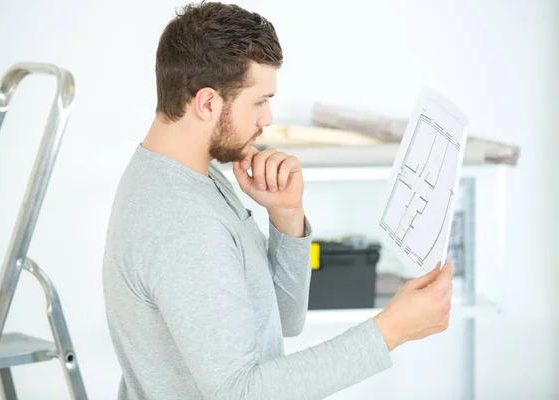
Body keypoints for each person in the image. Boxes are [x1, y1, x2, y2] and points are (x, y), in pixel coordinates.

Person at [102, 1, 454, 399]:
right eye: (259, 101)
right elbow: (241, 391)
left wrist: (286, 216)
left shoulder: (188, 175)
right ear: (206, 103)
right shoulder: (182, 223)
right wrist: (392, 330)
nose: (267, 118)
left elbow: (282, 320)